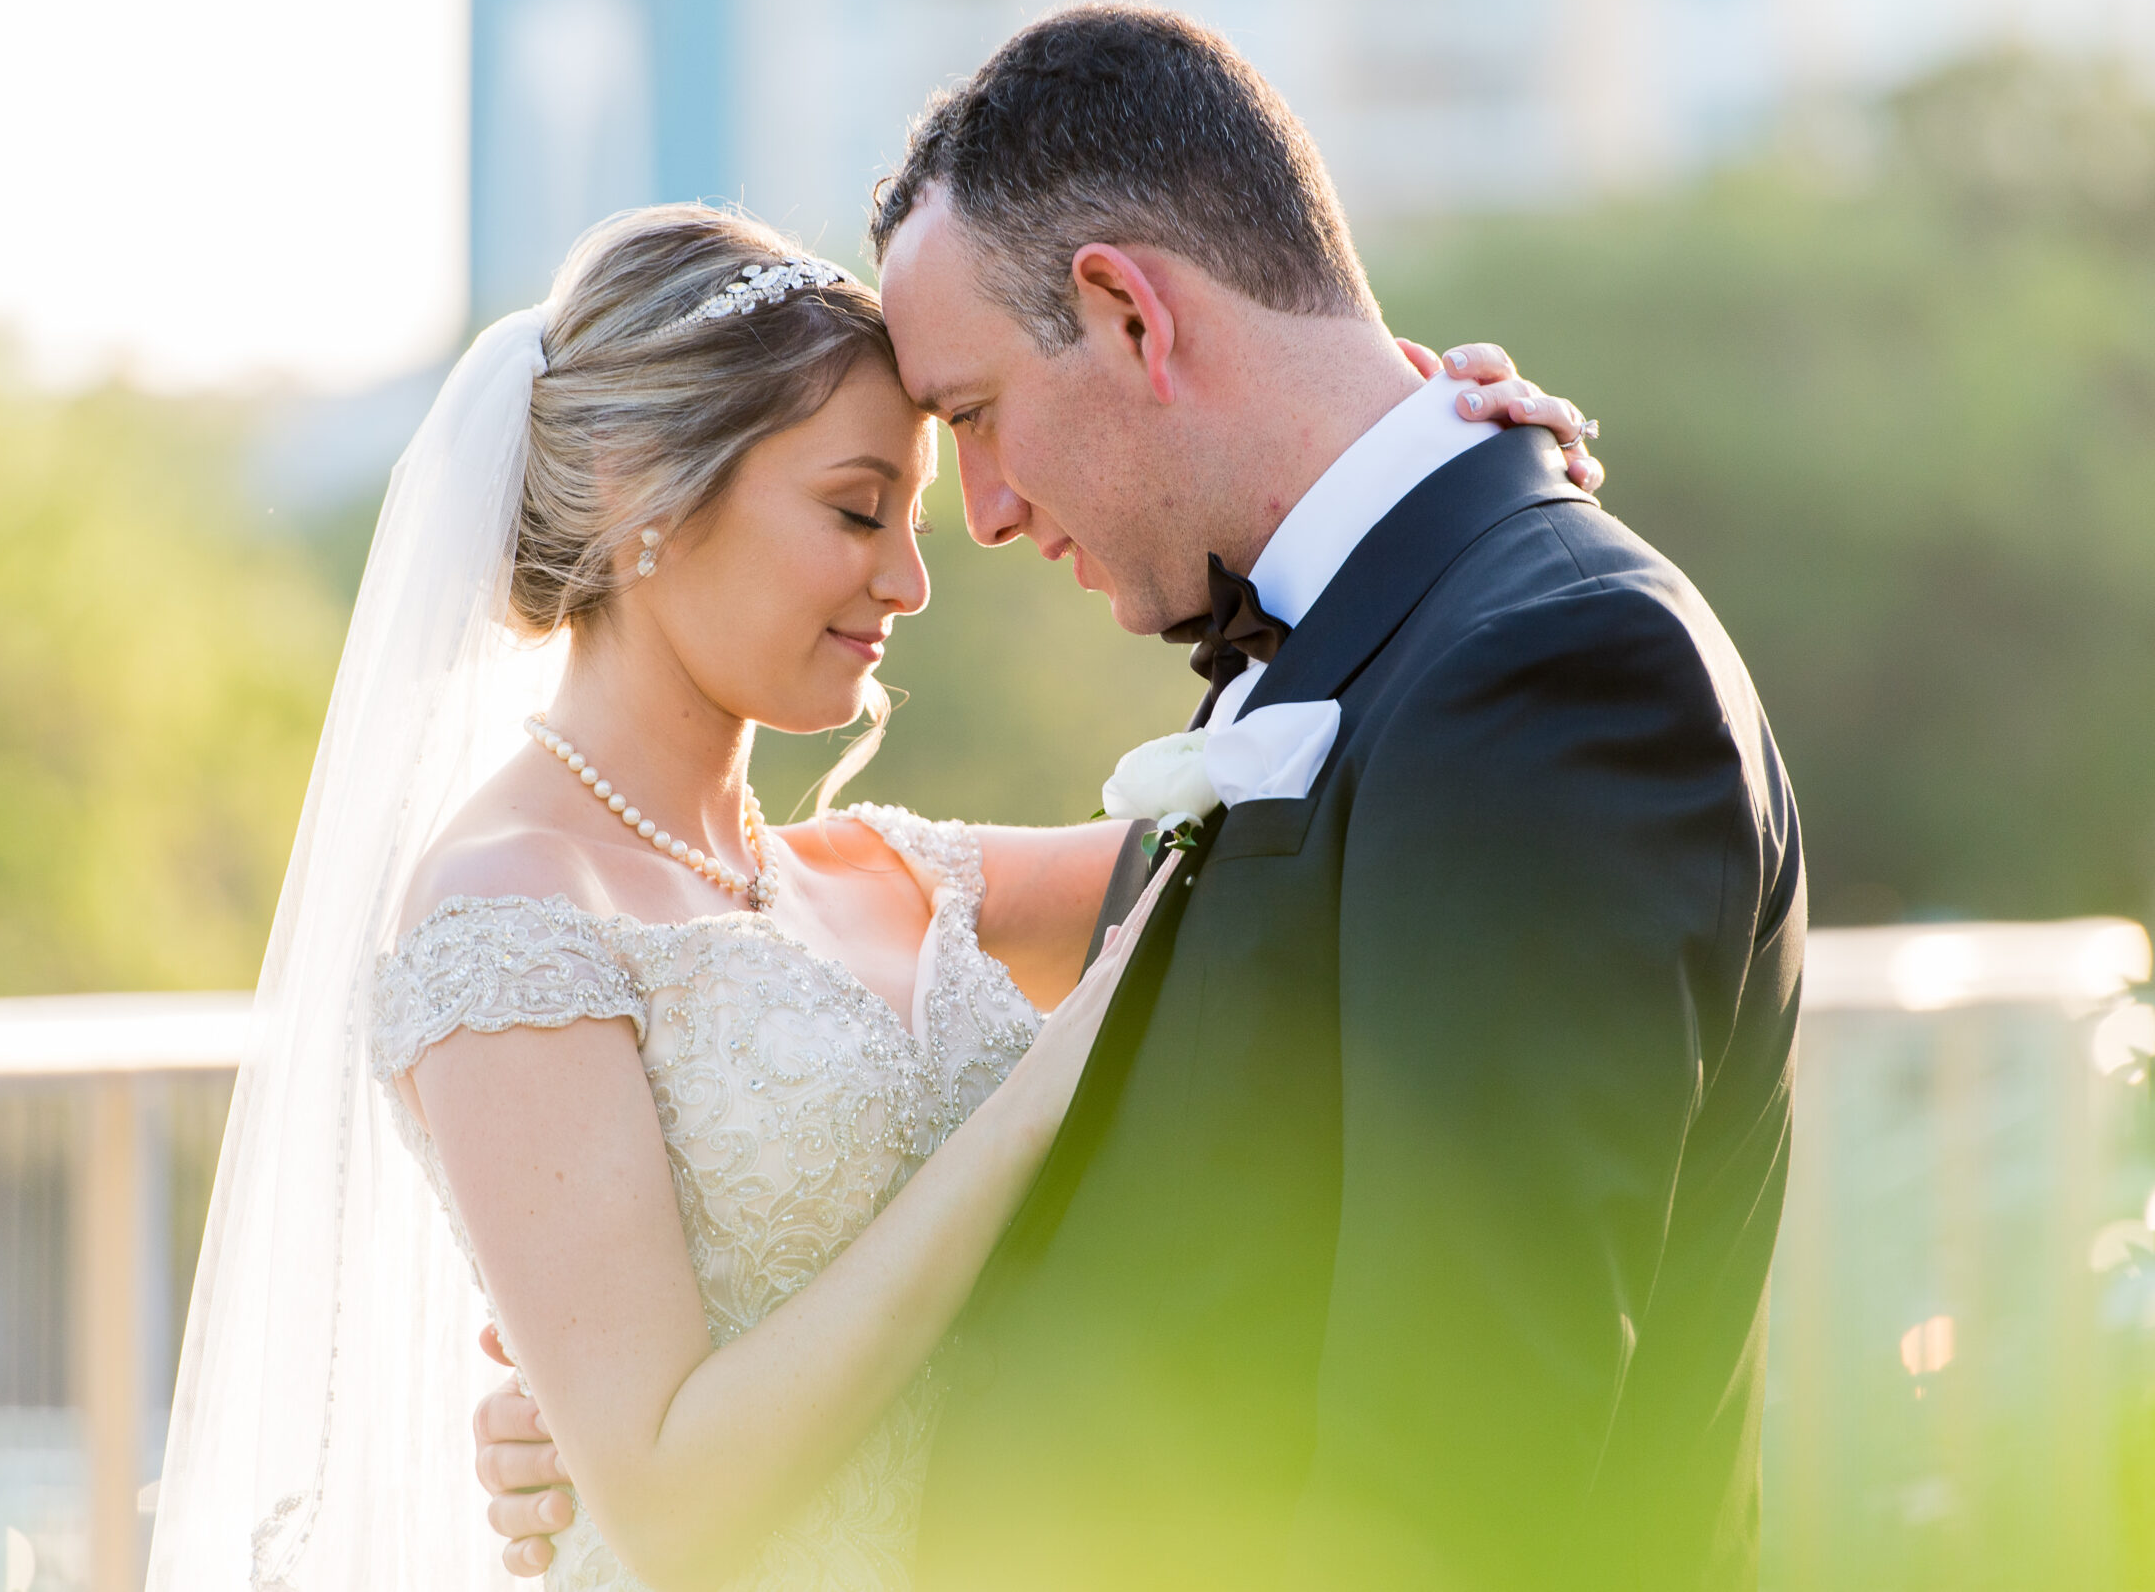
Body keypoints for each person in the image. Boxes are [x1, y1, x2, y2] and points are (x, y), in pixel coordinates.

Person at [476, 5, 1805, 1591]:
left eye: (967, 418)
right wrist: (635, 1355)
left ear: (1128, 315)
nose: (972, 525)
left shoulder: (1542, 676)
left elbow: (1454, 1479)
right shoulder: (1365, 653)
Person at [142, 183, 1594, 1587]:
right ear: (646, 499)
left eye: (913, 517)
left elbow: (1323, 813)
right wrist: (1040, 1097)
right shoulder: (506, 912)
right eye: (855, 512)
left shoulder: (890, 873)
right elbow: (666, 1508)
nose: (909, 579)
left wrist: (1435, 466)